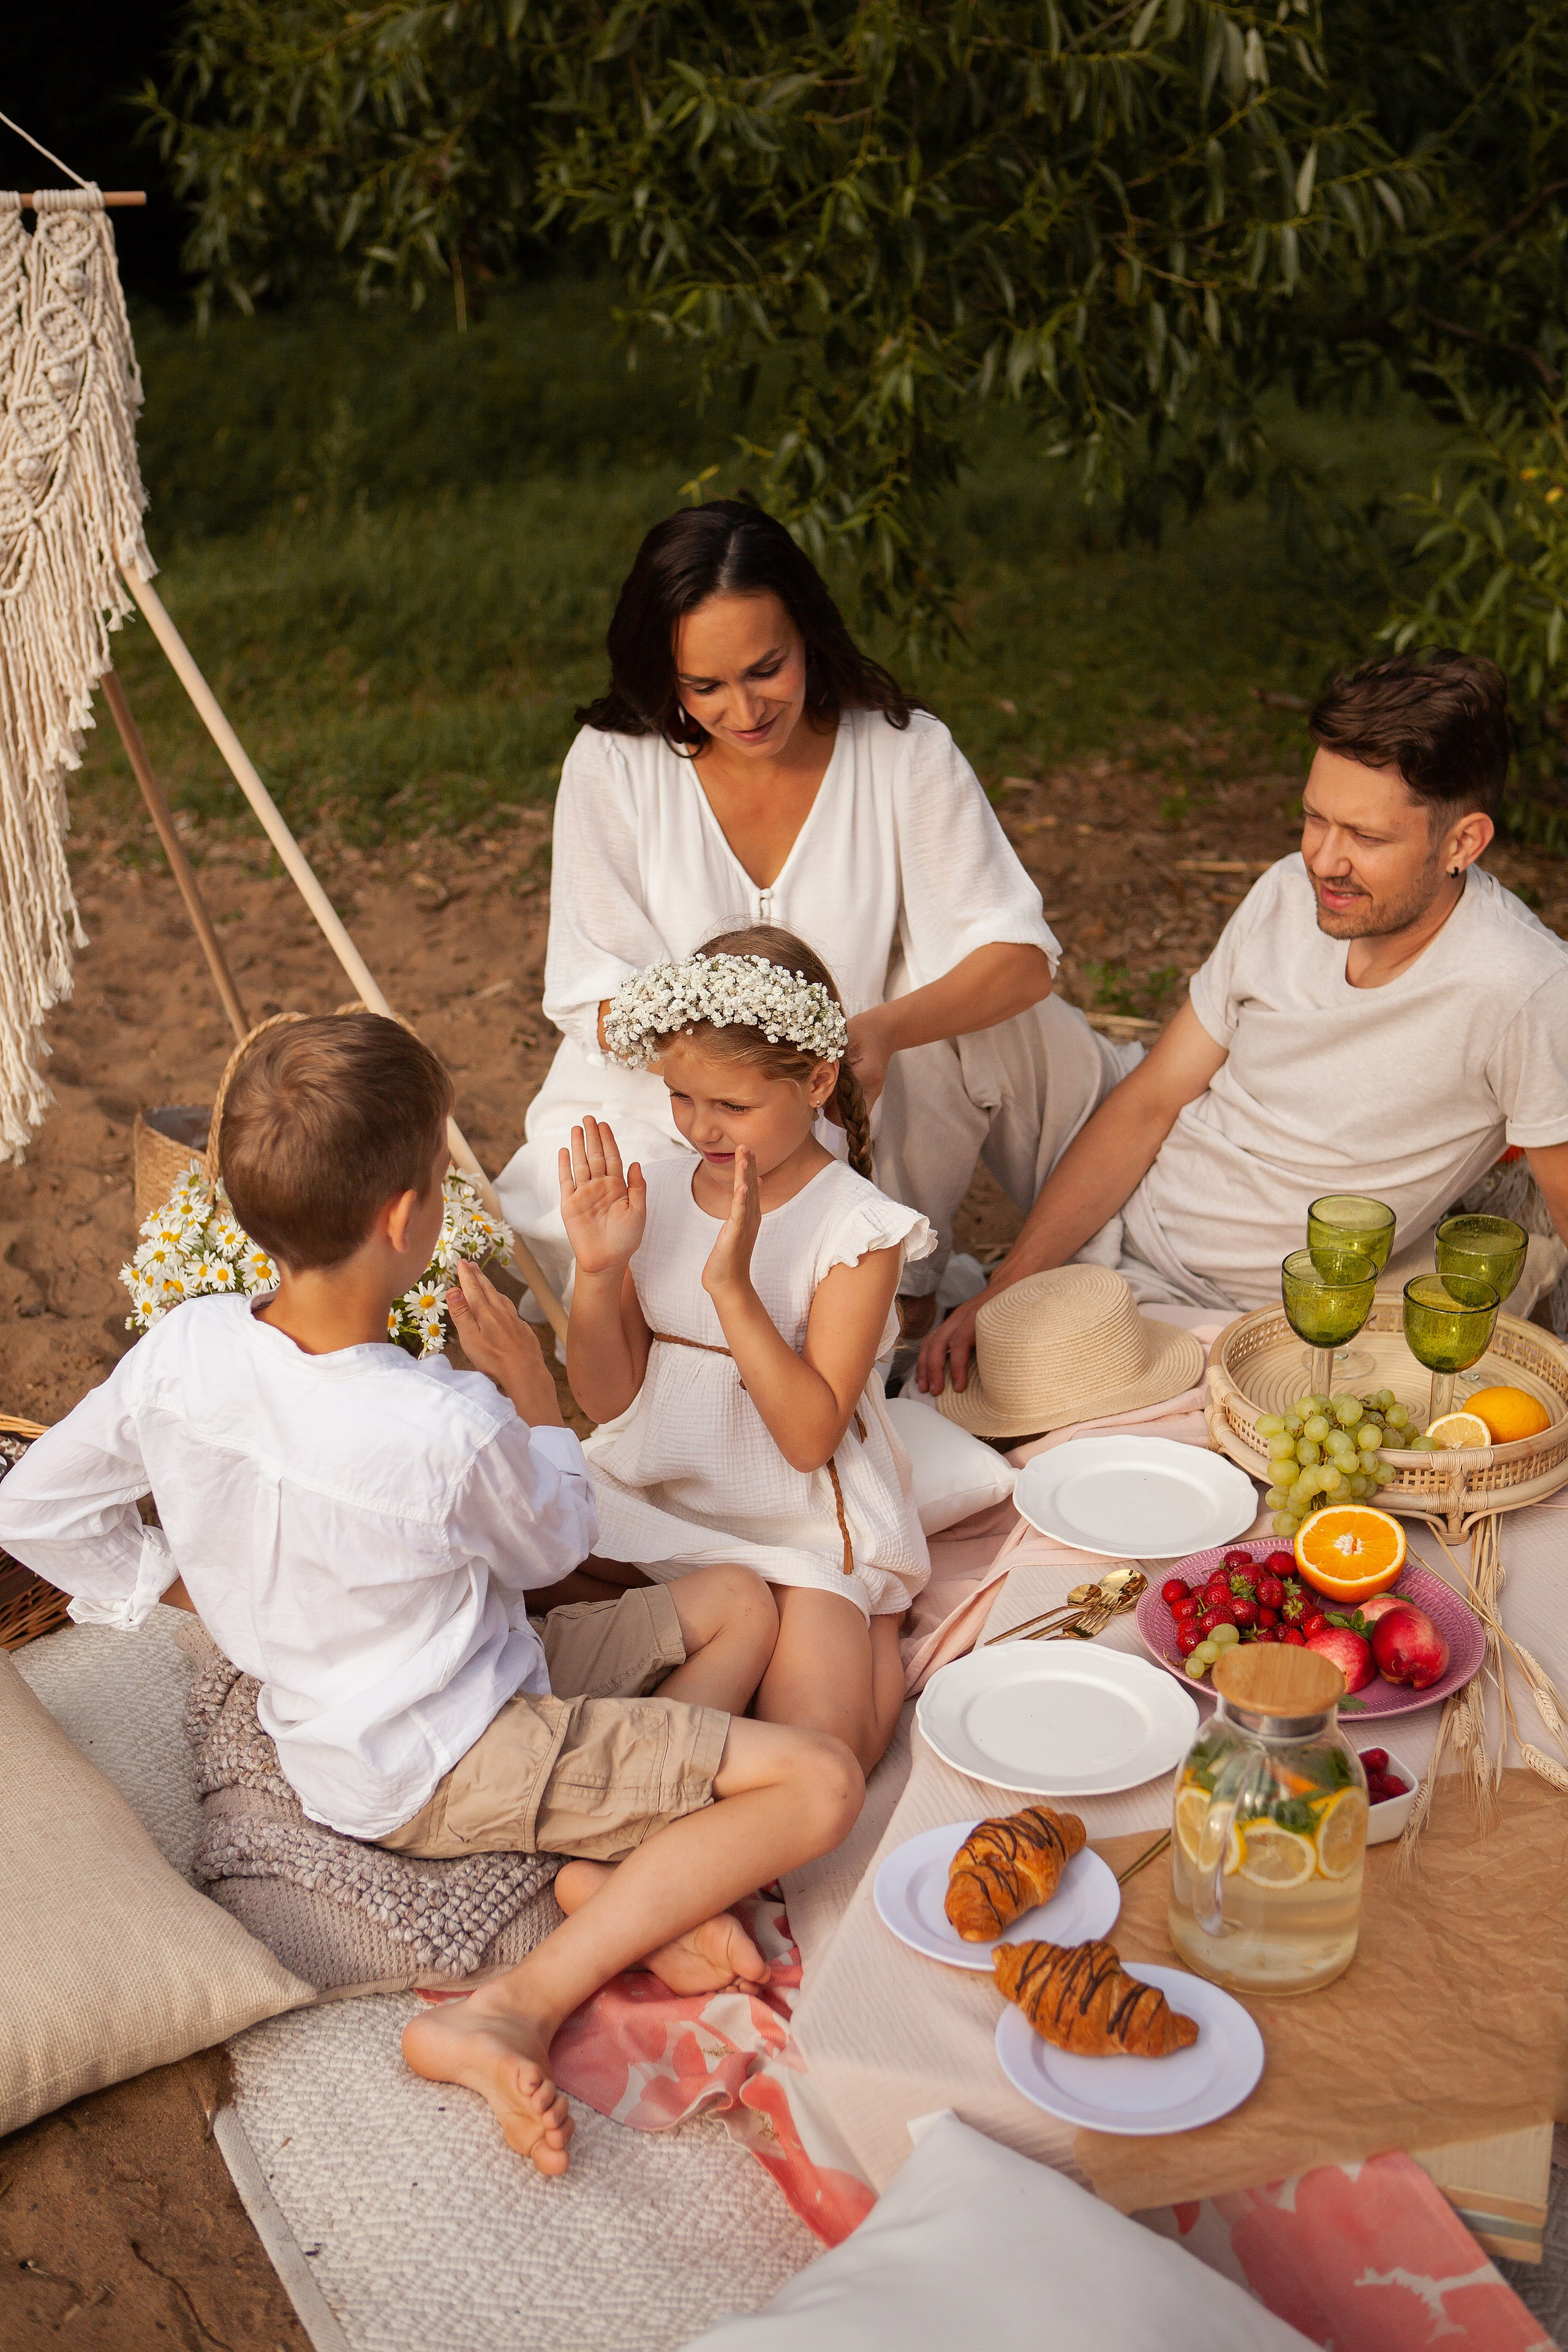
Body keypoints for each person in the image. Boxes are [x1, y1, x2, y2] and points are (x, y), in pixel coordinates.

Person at [0, 1014, 862, 2177]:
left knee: (734, 1602)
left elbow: (34, 1508)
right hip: (449, 1762)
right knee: (821, 1779)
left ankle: (612, 1868)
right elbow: (559, 1543)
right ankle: (519, 1999)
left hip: (387, 1709)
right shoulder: (442, 1426)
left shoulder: (187, 1351)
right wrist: (531, 1403)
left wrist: (178, 1584)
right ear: (409, 1219)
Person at [494, 498, 1134, 1344]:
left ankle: (887, 1291)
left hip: (849, 1102)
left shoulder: (904, 754)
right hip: (670, 1105)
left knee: (965, 1022)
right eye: (704, 686)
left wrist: (878, 1032)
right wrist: (717, 1065)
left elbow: (1019, 961)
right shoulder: (615, 763)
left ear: (808, 635)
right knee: (637, 1253)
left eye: (768, 668)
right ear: (663, 673)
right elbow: (591, 995)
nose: (744, 710)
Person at [919, 650, 1568, 1396]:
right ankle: (897, 1304)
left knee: (1048, 1444)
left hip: (1229, 1307)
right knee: (949, 1016)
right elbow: (1153, 1099)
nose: (1324, 860)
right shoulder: (1286, 892)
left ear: (1463, 843)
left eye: (1366, 836)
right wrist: (1012, 1281)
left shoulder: (1522, 989)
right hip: (1129, 1177)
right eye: (1314, 818)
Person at [559, 927, 932, 1775]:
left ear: (818, 1083)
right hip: (658, 1494)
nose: (701, 1128)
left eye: (732, 1108)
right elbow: (610, 1401)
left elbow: (808, 1440)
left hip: (795, 1524)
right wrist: (598, 1271)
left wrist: (734, 1290)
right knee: (502, 1574)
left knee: (825, 1754)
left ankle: (865, 1617)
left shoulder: (855, 1230)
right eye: (683, 1099)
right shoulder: (658, 1183)